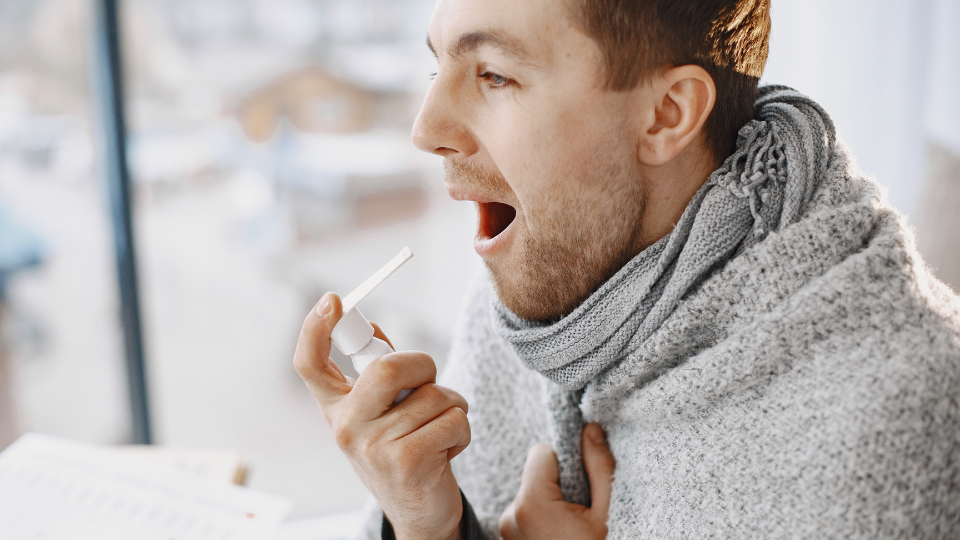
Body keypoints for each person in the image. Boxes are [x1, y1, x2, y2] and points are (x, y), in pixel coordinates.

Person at [294, 0, 960, 538]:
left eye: (494, 74)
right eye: (437, 66)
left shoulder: (886, 422)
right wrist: (424, 524)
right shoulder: (535, 273)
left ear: (667, 114)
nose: (426, 126)